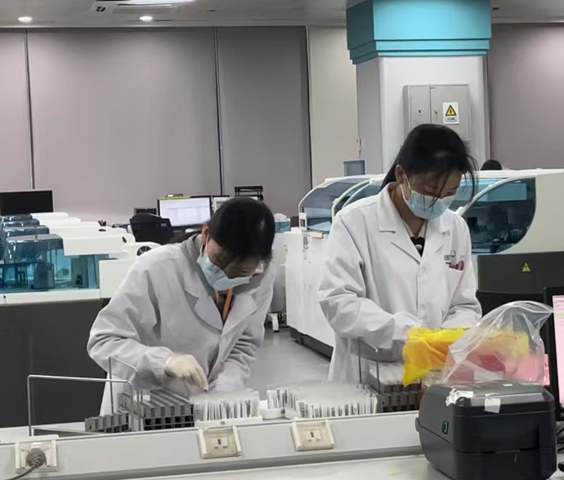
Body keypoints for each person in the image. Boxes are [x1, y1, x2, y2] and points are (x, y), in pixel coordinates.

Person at [319, 124, 482, 383]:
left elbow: (464, 304)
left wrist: (444, 339)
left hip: (437, 374)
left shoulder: (456, 228)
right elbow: (339, 302)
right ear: (401, 175)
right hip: (369, 374)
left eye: (450, 193)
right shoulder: (354, 222)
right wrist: (406, 333)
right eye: (429, 190)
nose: (438, 201)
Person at [88, 197, 277, 414]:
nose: (227, 275)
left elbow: (243, 345)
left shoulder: (260, 278)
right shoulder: (156, 268)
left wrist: (225, 391)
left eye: (241, 271)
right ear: (206, 234)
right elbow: (104, 341)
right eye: (221, 261)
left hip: (206, 409)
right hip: (142, 405)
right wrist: (164, 362)